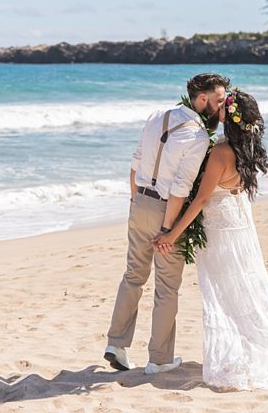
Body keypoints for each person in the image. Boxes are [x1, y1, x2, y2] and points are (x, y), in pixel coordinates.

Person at [153, 88, 268, 390]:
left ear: (229, 117)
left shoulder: (221, 153)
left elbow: (198, 202)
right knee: (244, 288)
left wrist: (171, 234)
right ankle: (257, 347)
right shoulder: (248, 148)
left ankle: (243, 353)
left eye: (224, 104)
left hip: (220, 231)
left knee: (224, 294)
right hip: (239, 224)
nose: (219, 106)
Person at [105, 73, 229, 375]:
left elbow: (134, 165)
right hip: (166, 211)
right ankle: (159, 358)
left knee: (133, 275)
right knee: (166, 288)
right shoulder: (199, 137)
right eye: (218, 100)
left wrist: (136, 202)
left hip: (140, 204)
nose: (220, 107)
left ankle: (116, 344)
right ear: (202, 99)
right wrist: (168, 231)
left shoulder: (156, 116)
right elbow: (180, 190)